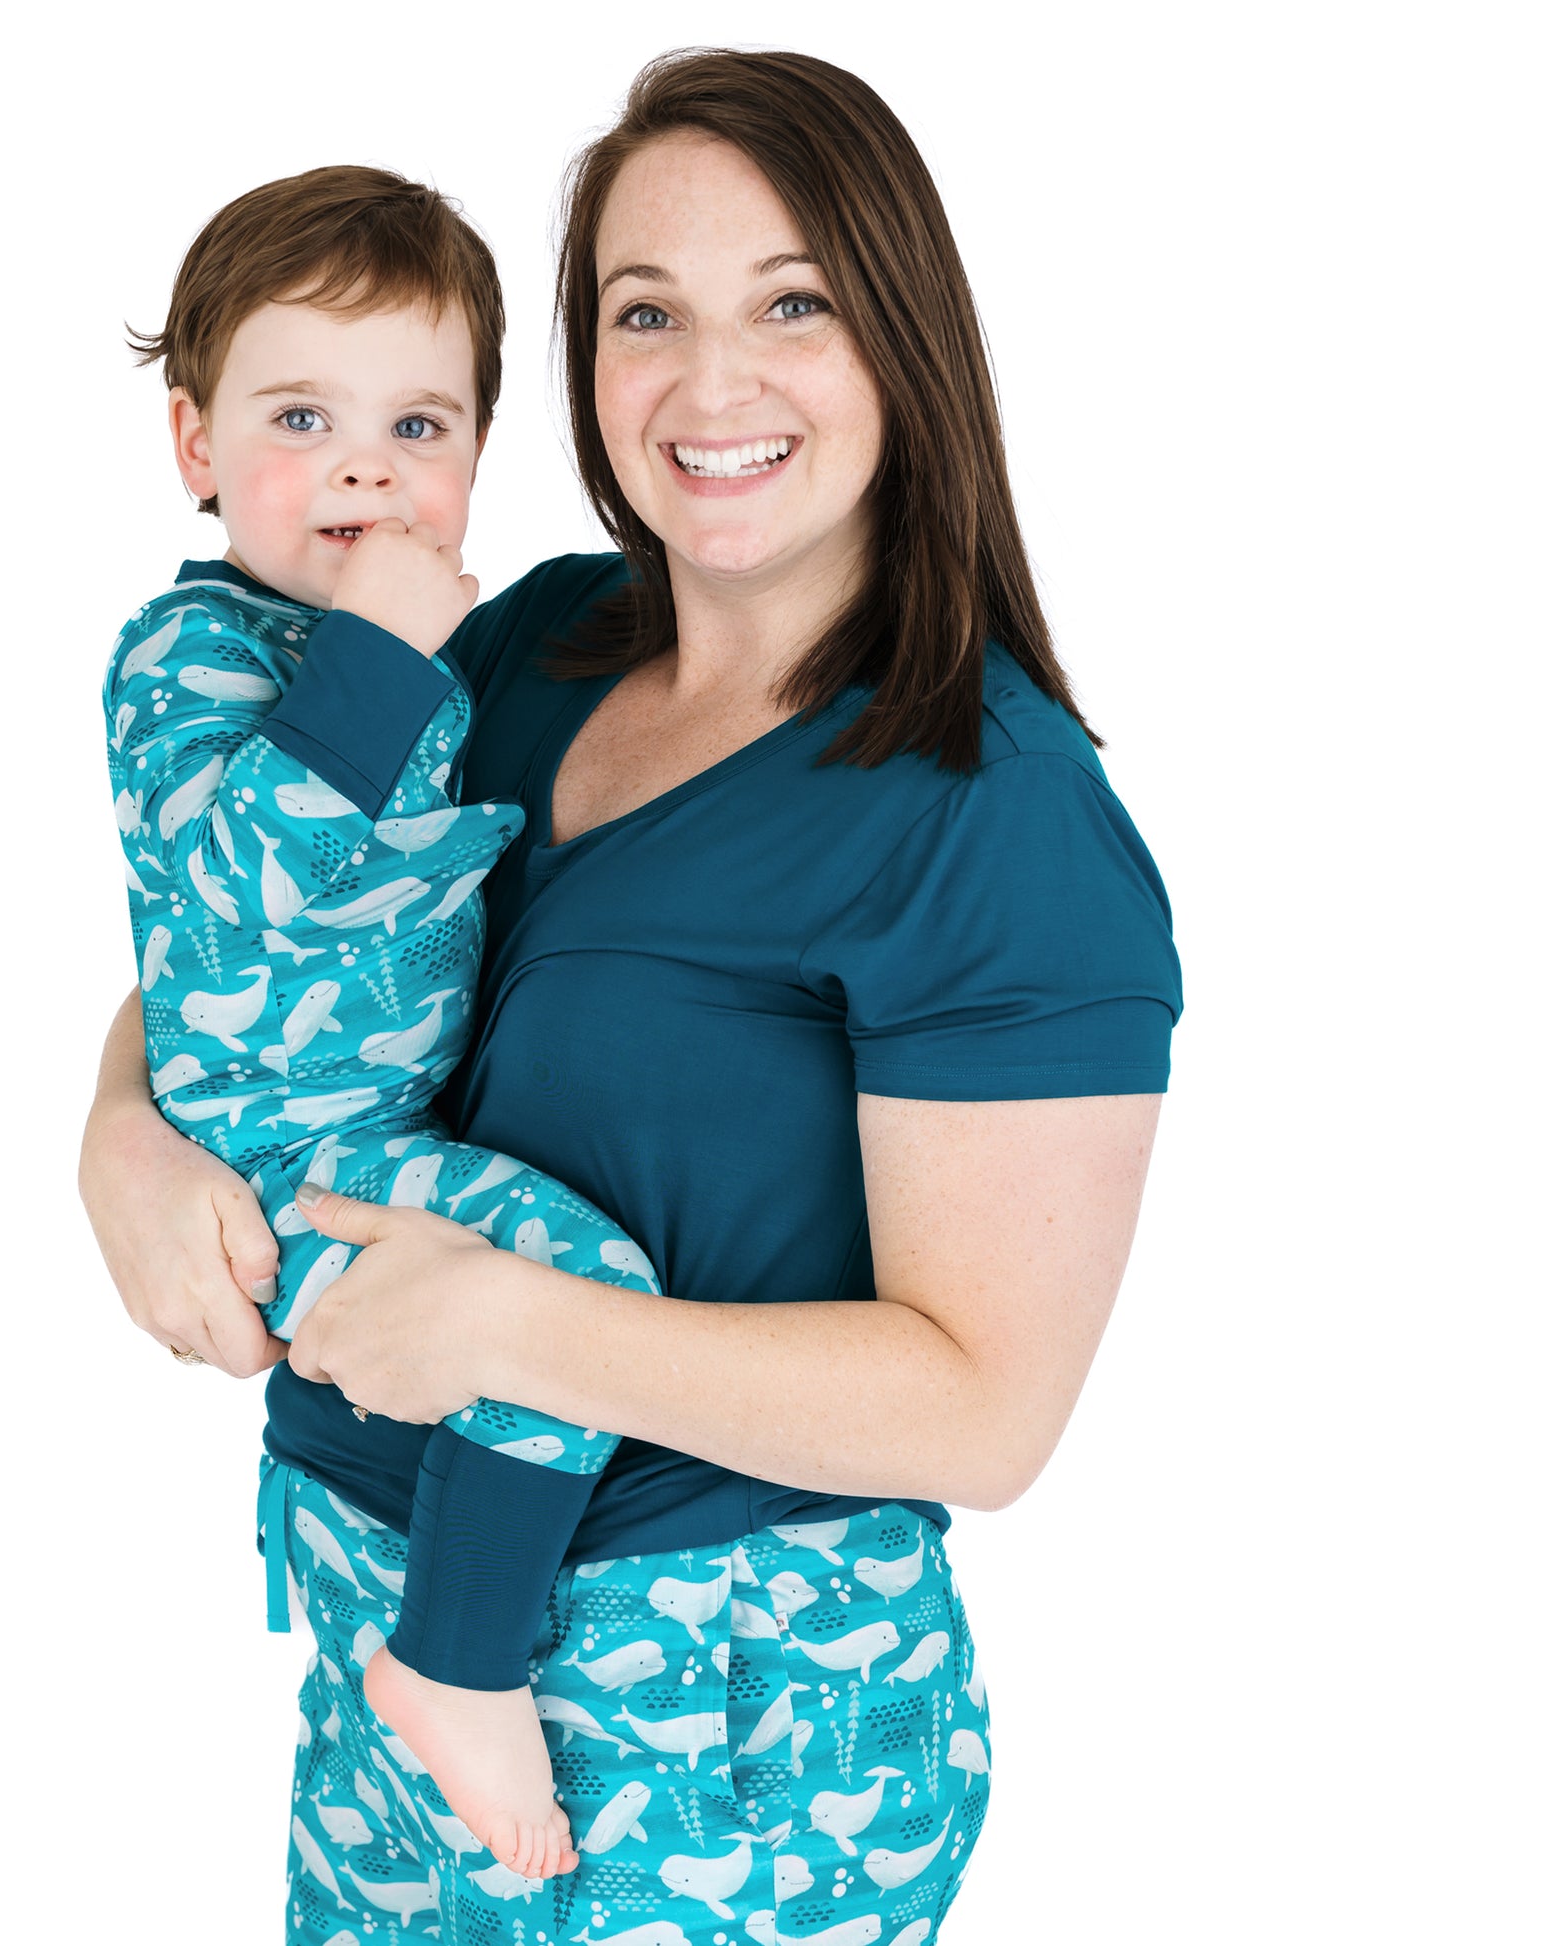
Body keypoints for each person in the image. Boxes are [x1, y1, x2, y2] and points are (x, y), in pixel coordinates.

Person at [80, 48, 1182, 1944]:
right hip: (380, 1643)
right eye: (644, 310)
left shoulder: (990, 814)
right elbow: (260, 923)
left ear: (902, 343)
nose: (711, 380)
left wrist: (518, 1325)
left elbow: (986, 1410)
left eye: (793, 305)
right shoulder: (520, 642)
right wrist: (117, 1131)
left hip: (724, 1727)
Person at [109, 163, 671, 1879]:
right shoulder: (186, 655)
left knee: (539, 1310)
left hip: (374, 1134)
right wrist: (380, 658)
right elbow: (240, 896)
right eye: (302, 416)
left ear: (478, 458)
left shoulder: (458, 643)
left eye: (417, 422)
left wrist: (410, 652)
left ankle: (442, 1642)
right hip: (283, 1160)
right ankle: (457, 1656)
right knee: (575, 1295)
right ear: (196, 448)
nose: (364, 466)